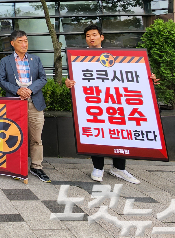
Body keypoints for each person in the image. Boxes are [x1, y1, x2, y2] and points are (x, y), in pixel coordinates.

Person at [65, 24, 159, 184]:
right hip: (94, 102)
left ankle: (119, 167)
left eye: (94, 34)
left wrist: (148, 79)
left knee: (119, 129)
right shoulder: (79, 57)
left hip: (115, 102)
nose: (91, 38)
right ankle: (98, 167)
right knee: (96, 129)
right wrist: (69, 83)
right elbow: (74, 80)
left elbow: (130, 75)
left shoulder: (116, 56)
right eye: (88, 35)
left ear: (102, 37)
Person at [0, 30, 50, 183]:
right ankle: (14, 166)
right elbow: (1, 80)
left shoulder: (35, 59)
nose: (24, 44)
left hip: (35, 103)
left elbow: (43, 78)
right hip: (15, 103)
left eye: (26, 41)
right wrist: (17, 90)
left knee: (36, 137)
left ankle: (36, 166)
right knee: (13, 136)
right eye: (21, 41)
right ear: (13, 43)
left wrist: (30, 90)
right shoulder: (5, 61)